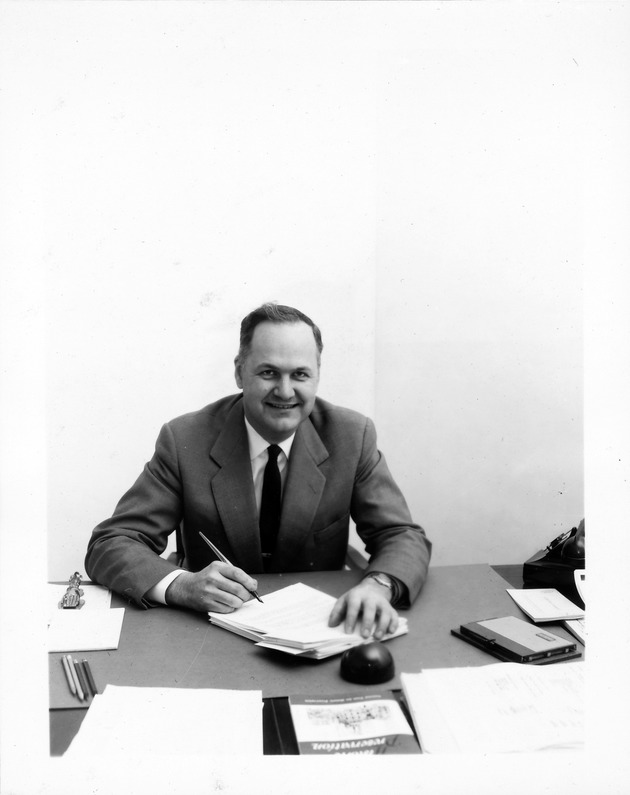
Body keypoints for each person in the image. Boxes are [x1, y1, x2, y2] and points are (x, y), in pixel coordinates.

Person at [85, 303, 431, 640]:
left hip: (319, 630)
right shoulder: (185, 438)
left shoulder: (351, 436)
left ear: (317, 375)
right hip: (211, 633)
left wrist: (378, 585)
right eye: (268, 373)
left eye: (300, 374)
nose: (285, 391)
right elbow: (112, 543)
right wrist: (181, 585)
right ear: (239, 372)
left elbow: (401, 535)